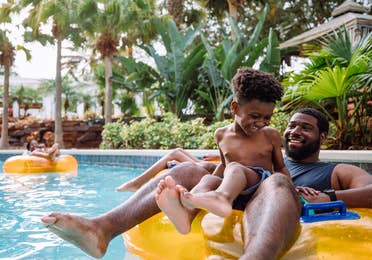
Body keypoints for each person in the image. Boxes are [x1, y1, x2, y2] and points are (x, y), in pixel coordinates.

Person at [40, 108, 372, 258]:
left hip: (283, 207)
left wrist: (326, 195)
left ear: (322, 137)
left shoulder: (335, 170)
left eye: (306, 128)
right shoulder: (266, 157)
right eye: (292, 126)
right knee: (193, 169)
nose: (295, 132)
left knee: (278, 185)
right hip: (241, 200)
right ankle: (102, 230)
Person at [156, 68, 291, 234]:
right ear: (235, 108)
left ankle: (221, 198)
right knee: (209, 179)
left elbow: (280, 168)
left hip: (262, 190)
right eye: (255, 116)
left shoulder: (270, 134)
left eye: (267, 118)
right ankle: (186, 214)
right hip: (235, 195)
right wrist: (207, 183)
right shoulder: (221, 135)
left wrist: (291, 190)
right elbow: (223, 165)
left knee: (235, 168)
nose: (261, 122)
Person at [116, 148, 219, 191]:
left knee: (175, 154)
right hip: (216, 165)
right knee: (178, 150)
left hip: (217, 171)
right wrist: (217, 157)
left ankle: (136, 183)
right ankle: (136, 183)